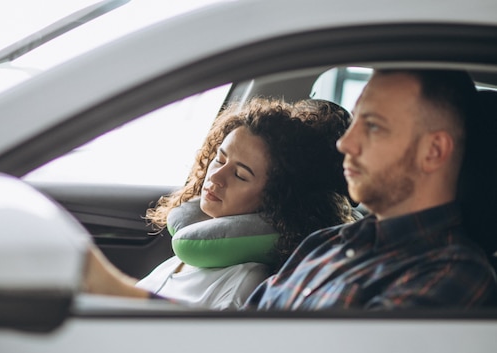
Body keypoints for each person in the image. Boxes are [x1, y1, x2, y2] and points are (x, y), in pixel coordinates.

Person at [83, 69, 497, 310]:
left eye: (373, 126)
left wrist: (121, 295)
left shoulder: (451, 275)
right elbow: (233, 348)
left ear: (433, 151)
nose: (345, 144)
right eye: (354, 125)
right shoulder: (328, 244)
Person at [85, 97, 356, 309]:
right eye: (219, 159)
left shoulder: (242, 283)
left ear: (275, 200)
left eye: (240, 174)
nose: (215, 176)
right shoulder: (187, 255)